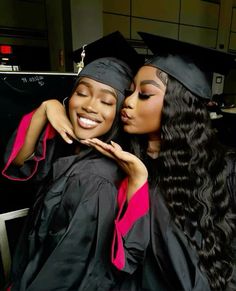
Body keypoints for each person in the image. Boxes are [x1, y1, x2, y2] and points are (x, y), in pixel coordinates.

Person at [83, 32, 236, 291]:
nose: (128, 103)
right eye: (130, 92)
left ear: (178, 106)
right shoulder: (119, 164)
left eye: (144, 95)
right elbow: (121, 261)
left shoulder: (225, 169)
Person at [1, 32, 149, 291]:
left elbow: (67, 271)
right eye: (82, 93)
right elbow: (20, 160)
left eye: (106, 101)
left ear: (120, 114)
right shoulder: (72, 146)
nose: (90, 106)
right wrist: (46, 108)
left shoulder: (94, 181)